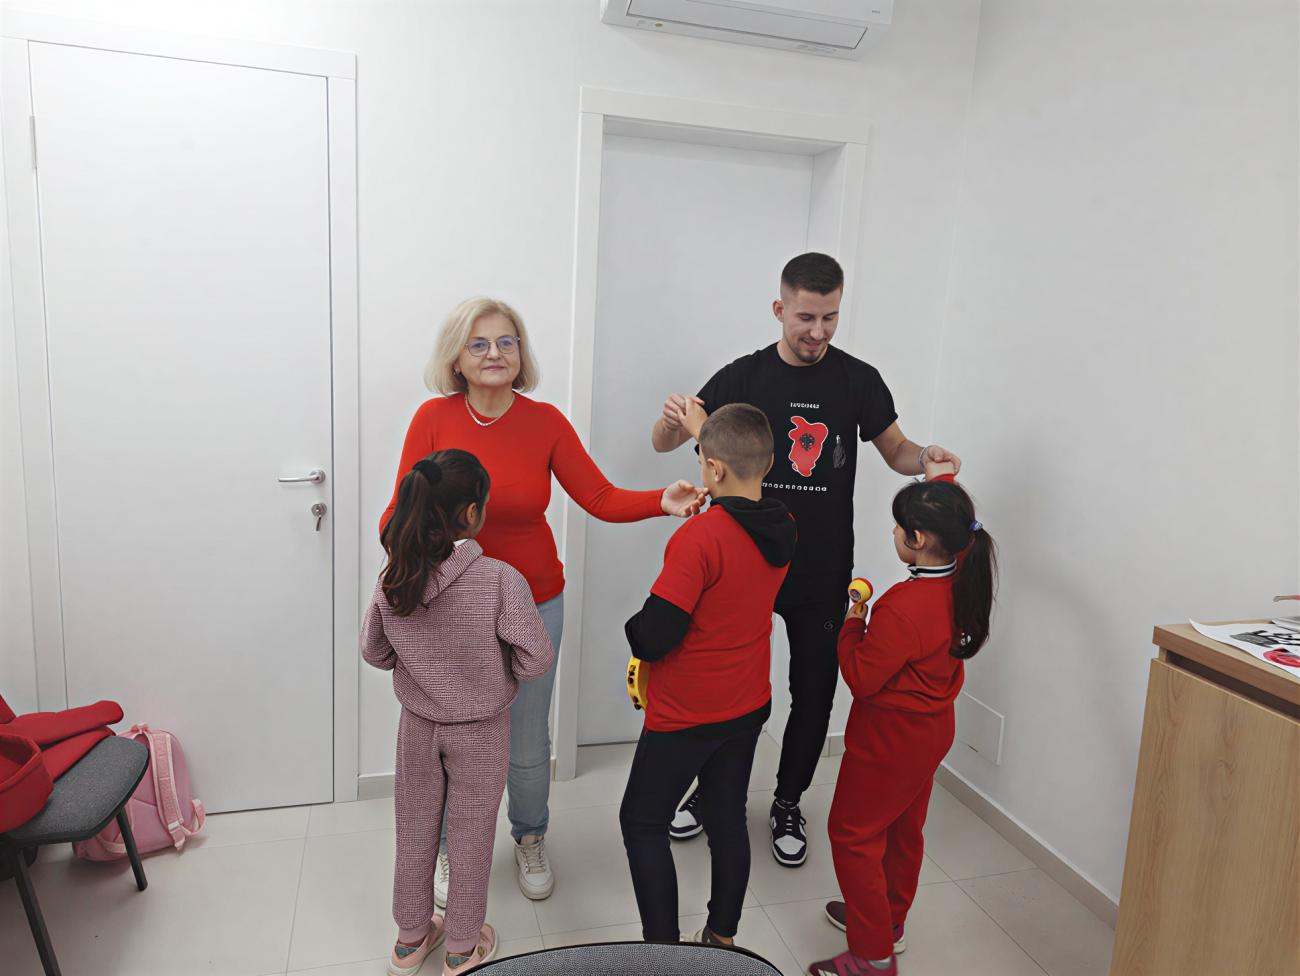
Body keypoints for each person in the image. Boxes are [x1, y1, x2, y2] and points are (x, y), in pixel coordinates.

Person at [383, 297, 704, 904]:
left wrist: (660, 500)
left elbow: (599, 497)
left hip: (533, 604)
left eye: (507, 342)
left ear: (521, 353)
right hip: (452, 611)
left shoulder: (546, 422)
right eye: (479, 343)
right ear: (457, 357)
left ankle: (530, 835)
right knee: (454, 738)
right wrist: (409, 558)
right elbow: (399, 512)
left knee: (527, 740)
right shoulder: (432, 418)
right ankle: (447, 848)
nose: (495, 353)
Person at [653, 252, 962, 867]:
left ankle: (788, 800)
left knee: (814, 692)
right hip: (744, 564)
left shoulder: (858, 380)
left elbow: (896, 450)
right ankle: (712, 792)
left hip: (821, 567)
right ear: (779, 309)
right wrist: (669, 423)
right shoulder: (743, 377)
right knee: (727, 690)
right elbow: (668, 442)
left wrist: (926, 456)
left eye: (830, 318)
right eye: (805, 318)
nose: (818, 332)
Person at [363, 450, 554, 976]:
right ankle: (462, 949)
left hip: (417, 728)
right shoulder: (500, 580)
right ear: (472, 513)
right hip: (482, 733)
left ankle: (409, 941)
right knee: (471, 838)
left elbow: (374, 652)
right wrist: (496, 670)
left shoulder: (394, 578)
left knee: (414, 830)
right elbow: (537, 658)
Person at [809, 460, 997, 976]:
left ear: (919, 539)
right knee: (902, 829)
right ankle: (887, 920)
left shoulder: (903, 607)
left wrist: (853, 620)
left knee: (852, 834)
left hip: (887, 741)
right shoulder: (961, 574)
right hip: (930, 733)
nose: (893, 533)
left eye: (898, 527)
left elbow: (862, 677)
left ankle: (872, 955)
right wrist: (941, 477)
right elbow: (952, 513)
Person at [619, 404, 796, 945]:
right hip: (747, 704)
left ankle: (665, 954)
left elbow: (654, 635)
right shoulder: (784, 525)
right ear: (768, 464)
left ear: (713, 468)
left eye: (702, 461)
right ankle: (721, 938)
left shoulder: (699, 538)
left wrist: (632, 624)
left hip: (687, 712)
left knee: (642, 822)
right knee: (726, 819)